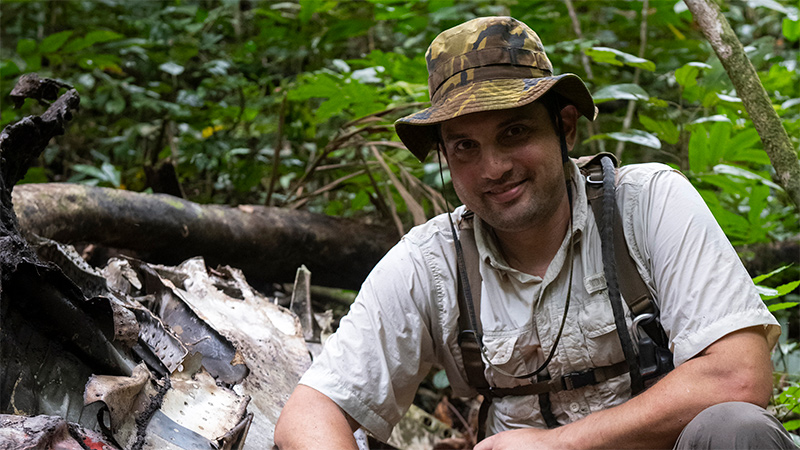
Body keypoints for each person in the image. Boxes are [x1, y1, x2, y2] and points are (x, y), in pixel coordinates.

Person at [275, 16, 795, 450]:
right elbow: (308, 413)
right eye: (464, 148)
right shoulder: (431, 263)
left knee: (736, 430)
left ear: (565, 127)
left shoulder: (647, 203)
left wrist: (557, 443)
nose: (493, 168)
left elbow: (738, 376)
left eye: (514, 131)